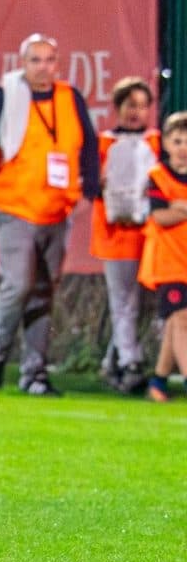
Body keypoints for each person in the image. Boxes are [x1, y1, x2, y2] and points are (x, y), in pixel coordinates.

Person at [0, 33, 100, 395]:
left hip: (57, 211)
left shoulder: (69, 97)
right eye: (35, 60)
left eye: (49, 60)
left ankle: (35, 375)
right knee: (18, 284)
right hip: (13, 210)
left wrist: (89, 191)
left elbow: (91, 146)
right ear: (23, 63)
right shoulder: (6, 96)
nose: (43, 67)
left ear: (58, 63)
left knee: (43, 293)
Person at [90, 77, 160, 393]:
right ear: (118, 107)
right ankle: (131, 364)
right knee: (124, 302)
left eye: (143, 106)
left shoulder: (157, 142)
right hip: (116, 234)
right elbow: (90, 185)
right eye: (131, 104)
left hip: (152, 235)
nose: (137, 112)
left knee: (137, 305)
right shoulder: (103, 144)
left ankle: (114, 361)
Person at [137, 111, 187, 402]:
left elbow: (174, 211)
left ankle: (158, 382)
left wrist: (180, 206)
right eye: (177, 140)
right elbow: (160, 216)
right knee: (181, 319)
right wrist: (179, 209)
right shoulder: (158, 176)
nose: (182, 148)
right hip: (167, 262)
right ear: (166, 143)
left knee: (173, 325)